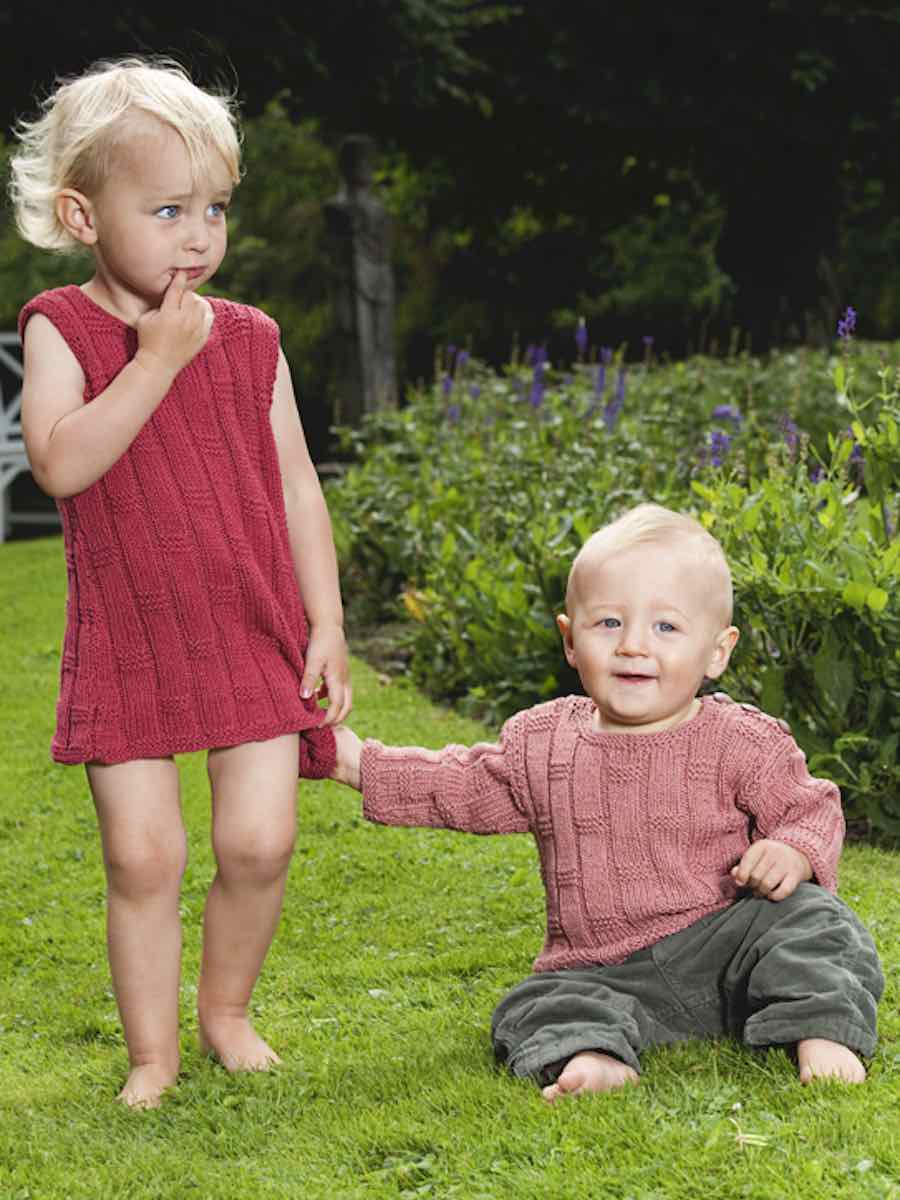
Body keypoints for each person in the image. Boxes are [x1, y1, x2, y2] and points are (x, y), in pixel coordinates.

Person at [11, 57, 351, 1108]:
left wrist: (327, 620)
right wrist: (153, 360)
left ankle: (227, 1015)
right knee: (143, 858)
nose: (198, 235)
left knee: (261, 840)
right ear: (83, 215)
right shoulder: (60, 326)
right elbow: (60, 464)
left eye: (214, 209)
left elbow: (296, 485)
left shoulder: (251, 338)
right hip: (129, 641)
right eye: (167, 210)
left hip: (250, 625)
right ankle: (152, 1056)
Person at [330, 503, 883, 1102]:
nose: (633, 646)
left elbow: (811, 807)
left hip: (727, 944)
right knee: (537, 1002)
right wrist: (357, 764)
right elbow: (460, 785)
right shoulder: (543, 744)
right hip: (603, 969)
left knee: (816, 921)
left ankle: (820, 1029)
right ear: (571, 639)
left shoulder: (741, 739)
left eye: (666, 628)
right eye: (609, 623)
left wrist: (792, 850)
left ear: (717, 651)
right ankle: (595, 1054)